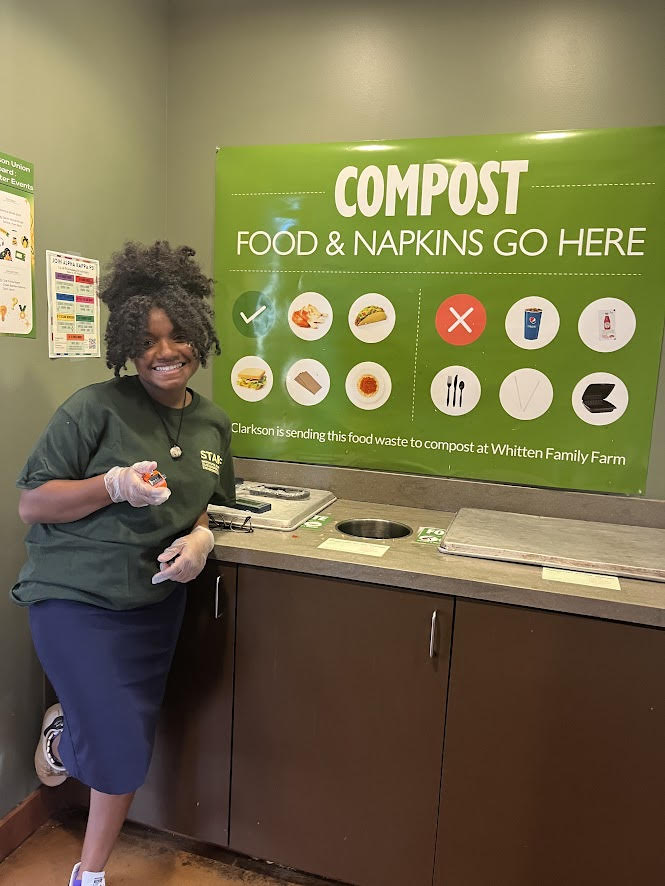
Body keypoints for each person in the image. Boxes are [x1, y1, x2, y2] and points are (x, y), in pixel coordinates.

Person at [11, 241, 235, 886]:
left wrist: (201, 540)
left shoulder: (214, 425)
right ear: (127, 349)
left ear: (199, 335)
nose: (165, 354)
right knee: (122, 745)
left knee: (126, 739)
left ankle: (64, 746)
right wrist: (110, 485)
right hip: (74, 599)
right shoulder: (93, 407)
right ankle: (90, 873)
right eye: (147, 343)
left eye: (177, 337)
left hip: (153, 606)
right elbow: (33, 503)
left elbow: (208, 505)